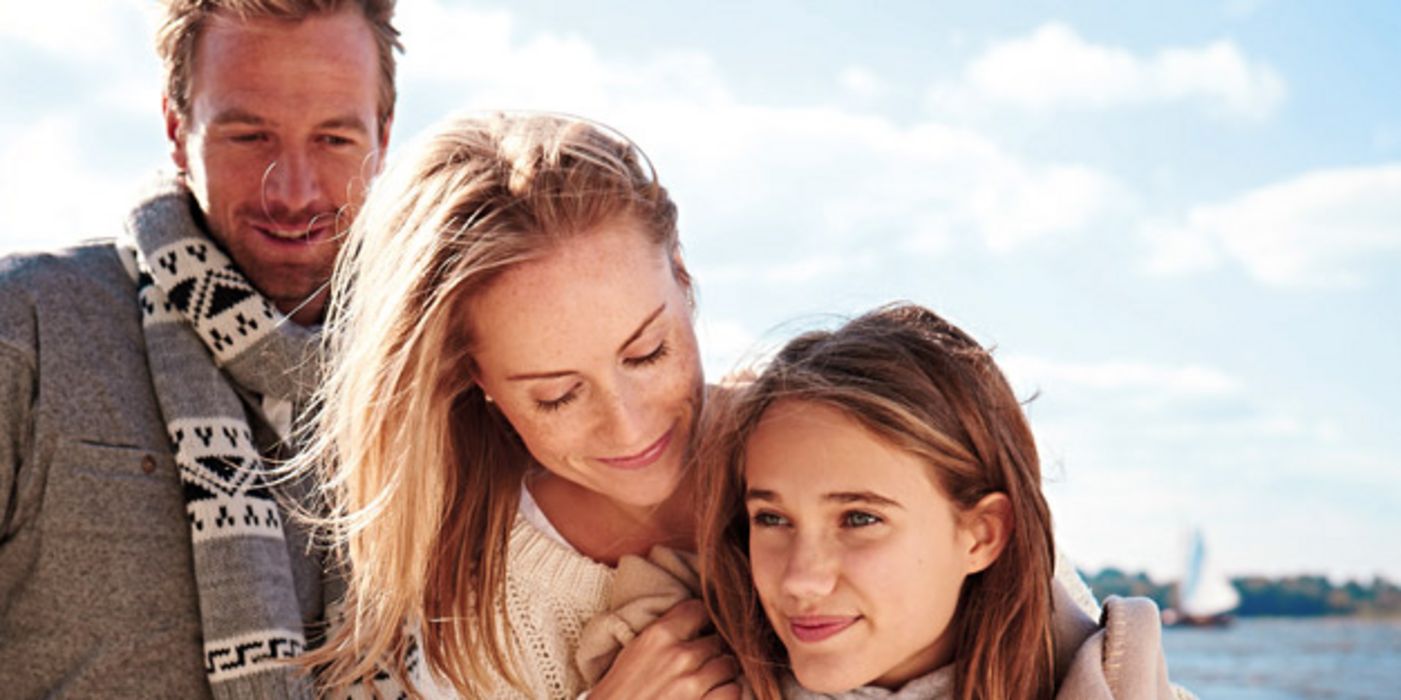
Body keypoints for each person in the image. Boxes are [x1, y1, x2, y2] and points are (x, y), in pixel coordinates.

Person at [0, 1, 399, 697]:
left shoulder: (438, 376)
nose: (295, 190)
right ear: (176, 129)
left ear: (384, 136)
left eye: (334, 140)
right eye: (250, 137)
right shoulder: (29, 328)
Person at [299, 112, 738, 699]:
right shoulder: (476, 605)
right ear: (473, 377)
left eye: (648, 354)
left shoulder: (845, 442)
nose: (628, 426)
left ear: (681, 276)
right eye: (558, 396)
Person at [697, 303, 1181, 699]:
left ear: (983, 534)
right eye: (772, 518)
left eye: (860, 518)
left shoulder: (1120, 684)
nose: (801, 579)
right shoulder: (663, 663)